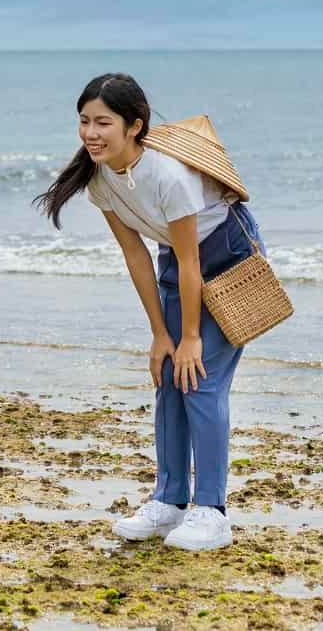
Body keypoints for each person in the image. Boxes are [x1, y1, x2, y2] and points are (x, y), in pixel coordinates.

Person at [33, 72, 263, 552]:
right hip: (177, 260)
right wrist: (161, 335)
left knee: (198, 377)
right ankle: (169, 501)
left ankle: (212, 512)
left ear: (134, 126)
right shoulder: (98, 179)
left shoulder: (168, 175)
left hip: (225, 254)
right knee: (168, 373)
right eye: (84, 122)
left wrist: (192, 336)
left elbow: (191, 260)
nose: (91, 133)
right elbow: (137, 256)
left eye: (103, 123)